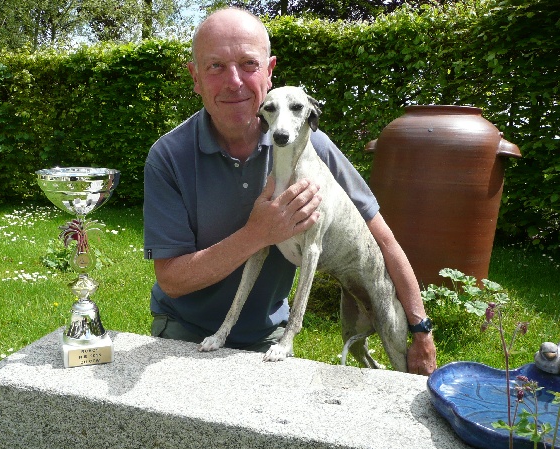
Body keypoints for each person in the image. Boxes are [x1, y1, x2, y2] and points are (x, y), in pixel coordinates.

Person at [143, 7, 437, 375]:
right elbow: (171, 280)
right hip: (181, 333)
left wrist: (421, 332)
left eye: (249, 64)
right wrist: (258, 234)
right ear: (195, 78)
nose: (234, 81)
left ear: (269, 72)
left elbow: (384, 242)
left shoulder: (314, 147)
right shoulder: (168, 157)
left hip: (269, 338)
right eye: (215, 66)